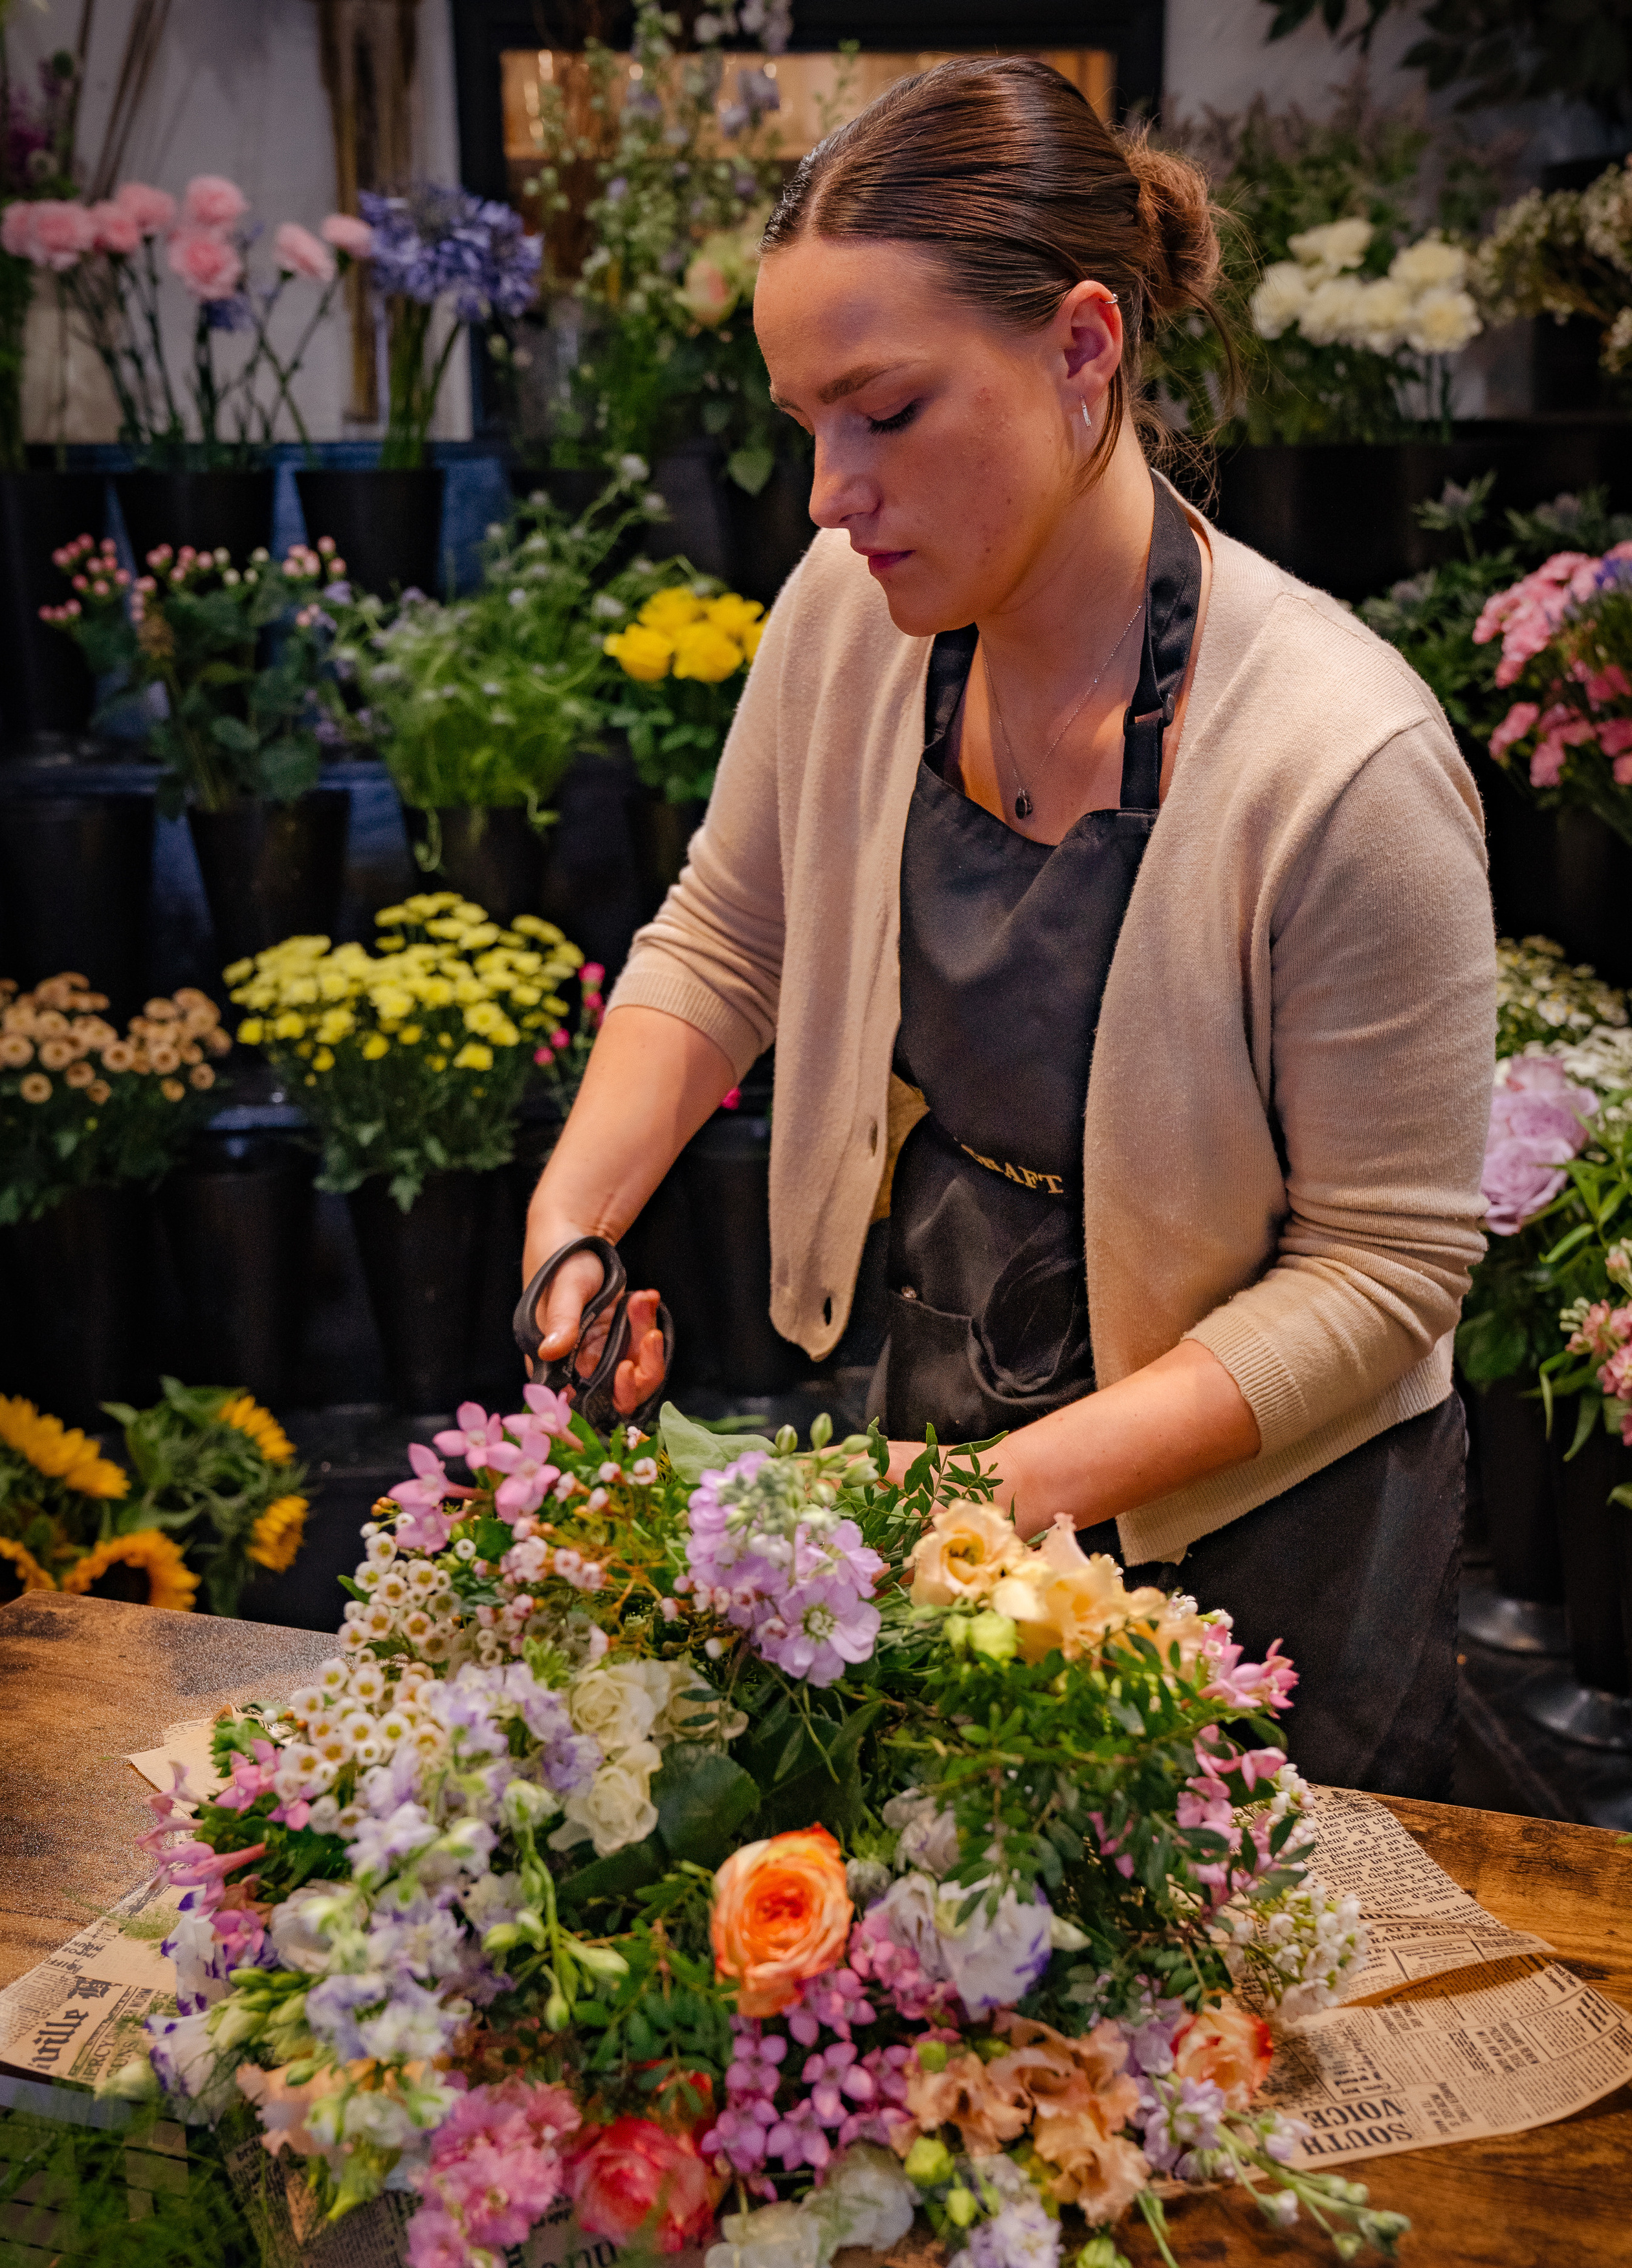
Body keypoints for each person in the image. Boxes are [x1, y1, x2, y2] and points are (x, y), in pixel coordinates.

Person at [522, 58, 1495, 1798]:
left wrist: (992, 1501)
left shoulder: (1344, 763)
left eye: (884, 414)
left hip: (1267, 1534)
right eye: (803, 420)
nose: (827, 493)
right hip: (950, 1395)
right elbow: (724, 937)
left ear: (1083, 350)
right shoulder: (855, 615)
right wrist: (571, 1222)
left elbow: (1384, 1270)